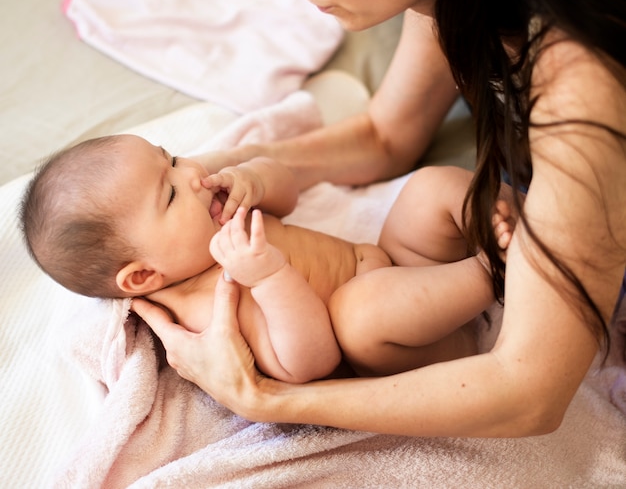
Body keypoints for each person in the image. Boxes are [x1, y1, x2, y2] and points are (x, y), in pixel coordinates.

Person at [131, 0, 626, 438]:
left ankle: (493, 264)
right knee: (420, 204)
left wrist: (262, 399)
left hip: (541, 264)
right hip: (405, 290)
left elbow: (530, 395)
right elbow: (385, 135)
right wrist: (232, 166)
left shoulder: (583, 79)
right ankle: (498, 252)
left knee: (364, 307)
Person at [20, 134, 503, 383]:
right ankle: (500, 271)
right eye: (168, 194)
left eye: (171, 158)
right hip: (406, 342)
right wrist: (270, 278)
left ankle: (531, 225)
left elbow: (288, 197)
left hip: (400, 265)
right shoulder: (207, 305)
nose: (191, 174)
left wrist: (257, 178)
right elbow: (307, 365)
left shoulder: (214, 215)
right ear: (144, 273)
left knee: (432, 187)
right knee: (359, 316)